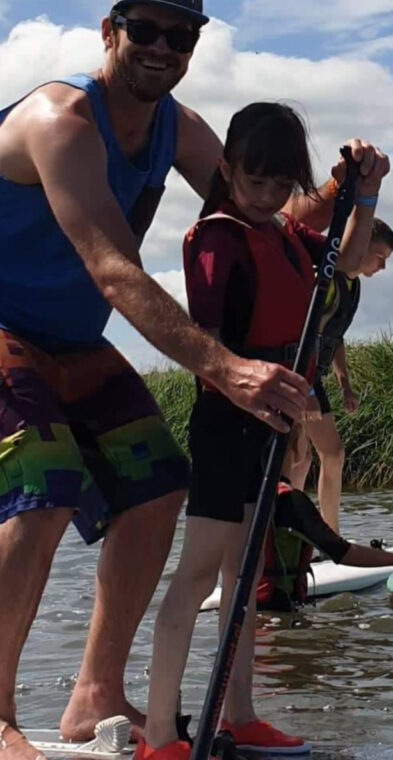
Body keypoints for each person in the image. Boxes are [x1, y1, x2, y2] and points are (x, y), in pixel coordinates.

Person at [0, 0, 386, 760]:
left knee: (159, 485)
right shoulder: (62, 120)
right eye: (144, 29)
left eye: (180, 36)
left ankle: (94, 695)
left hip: (69, 335)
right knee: (42, 484)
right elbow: (113, 269)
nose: (161, 47)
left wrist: (346, 186)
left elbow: (261, 209)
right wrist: (228, 369)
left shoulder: (180, 127)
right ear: (110, 32)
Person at [137, 102, 388, 760]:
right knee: (199, 575)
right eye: (255, 181)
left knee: (243, 578)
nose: (268, 196)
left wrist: (365, 194)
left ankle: (240, 716)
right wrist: (248, 391)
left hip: (270, 427)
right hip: (227, 425)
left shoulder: (283, 232)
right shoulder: (216, 237)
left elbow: (347, 259)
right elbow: (209, 343)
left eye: (282, 184)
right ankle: (160, 735)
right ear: (226, 170)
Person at [286, 217, 393, 533]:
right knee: (324, 455)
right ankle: (322, 537)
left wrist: (344, 383)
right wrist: (305, 389)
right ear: (360, 244)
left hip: (310, 378)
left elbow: (335, 338)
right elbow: (303, 333)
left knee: (305, 458)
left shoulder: (352, 285)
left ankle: (302, 535)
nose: (383, 267)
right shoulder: (326, 279)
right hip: (295, 374)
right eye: (380, 256)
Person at [257, 475, 393, 612]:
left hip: (250, 607)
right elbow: (342, 552)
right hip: (273, 610)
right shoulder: (290, 501)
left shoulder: (248, 496)